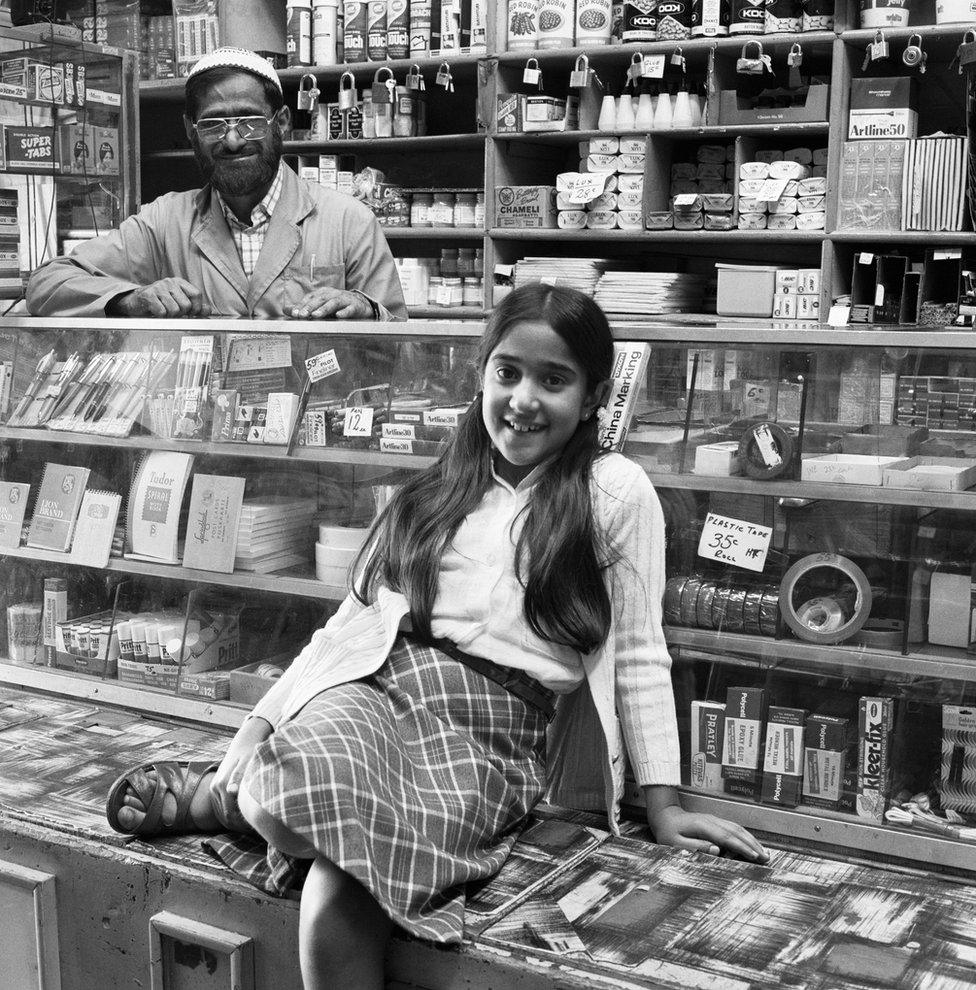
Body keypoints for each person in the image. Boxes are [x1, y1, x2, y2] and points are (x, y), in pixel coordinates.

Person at [105, 284, 768, 990]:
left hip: (491, 734)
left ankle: (217, 801)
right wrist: (255, 726)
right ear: (481, 373)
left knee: (332, 848)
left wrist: (663, 805)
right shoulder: (438, 488)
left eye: (554, 380)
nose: (523, 399)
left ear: (594, 395)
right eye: (507, 372)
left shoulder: (615, 490)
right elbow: (349, 628)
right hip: (381, 688)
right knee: (299, 805)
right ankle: (242, 787)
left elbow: (638, 649)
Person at [26, 47, 406, 322]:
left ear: (283, 121)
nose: (234, 140)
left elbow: (404, 345)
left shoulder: (348, 221)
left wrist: (368, 310)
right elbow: (47, 284)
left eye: (250, 120)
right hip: (204, 428)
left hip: (315, 422)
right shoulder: (164, 222)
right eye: (213, 124)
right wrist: (129, 299)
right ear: (191, 131)